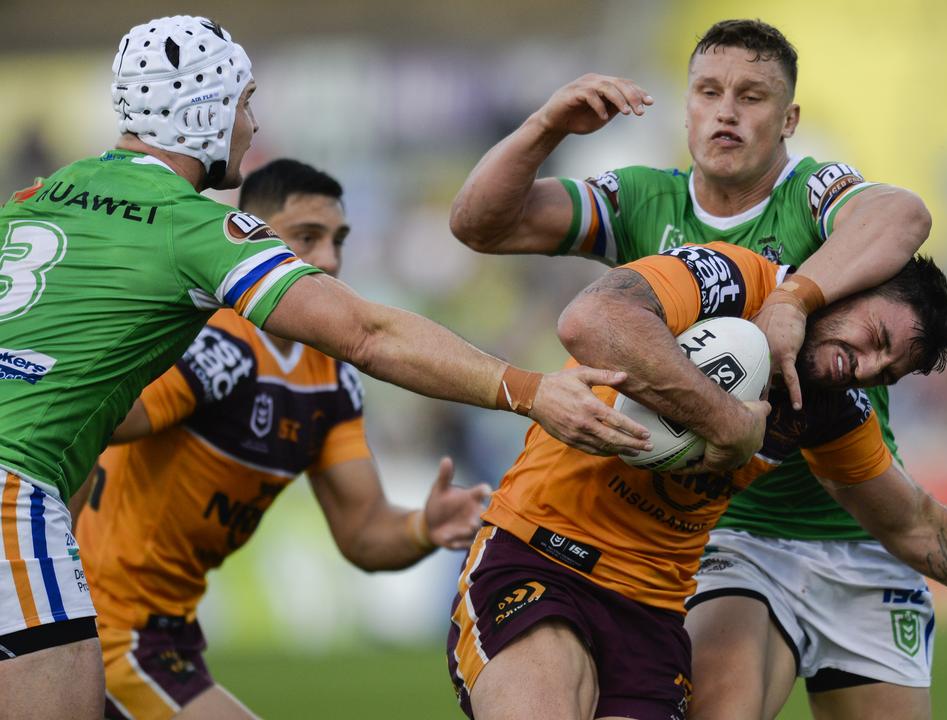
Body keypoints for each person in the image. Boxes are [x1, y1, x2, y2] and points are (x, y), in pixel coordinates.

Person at [0, 16, 648, 720]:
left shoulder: (38, 197)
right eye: (244, 102)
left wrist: (421, 528)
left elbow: (363, 528)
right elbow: (366, 332)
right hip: (18, 492)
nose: (252, 123)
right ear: (203, 113)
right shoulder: (189, 227)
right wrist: (529, 390)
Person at [445, 18, 947, 718]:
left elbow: (904, 214)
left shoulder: (813, 194)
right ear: (686, 104)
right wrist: (546, 125)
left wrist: (795, 297)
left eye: (752, 96)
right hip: (719, 530)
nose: (727, 110)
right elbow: (480, 225)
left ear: (789, 120)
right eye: (709, 91)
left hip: (846, 510)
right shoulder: (641, 199)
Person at [445, 241, 947, 720]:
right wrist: (726, 419)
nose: (869, 369)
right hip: (541, 556)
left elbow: (918, 528)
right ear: (848, 288)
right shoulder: (733, 280)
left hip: (651, 609)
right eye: (877, 339)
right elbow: (592, 318)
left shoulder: (824, 407)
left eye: (890, 372)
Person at [67, 158, 487, 719]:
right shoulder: (214, 337)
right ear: (250, 239)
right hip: (105, 629)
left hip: (171, 635)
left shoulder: (329, 378)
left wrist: (423, 526)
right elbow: (92, 417)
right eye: (306, 238)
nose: (329, 260)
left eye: (338, 240)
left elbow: (363, 532)